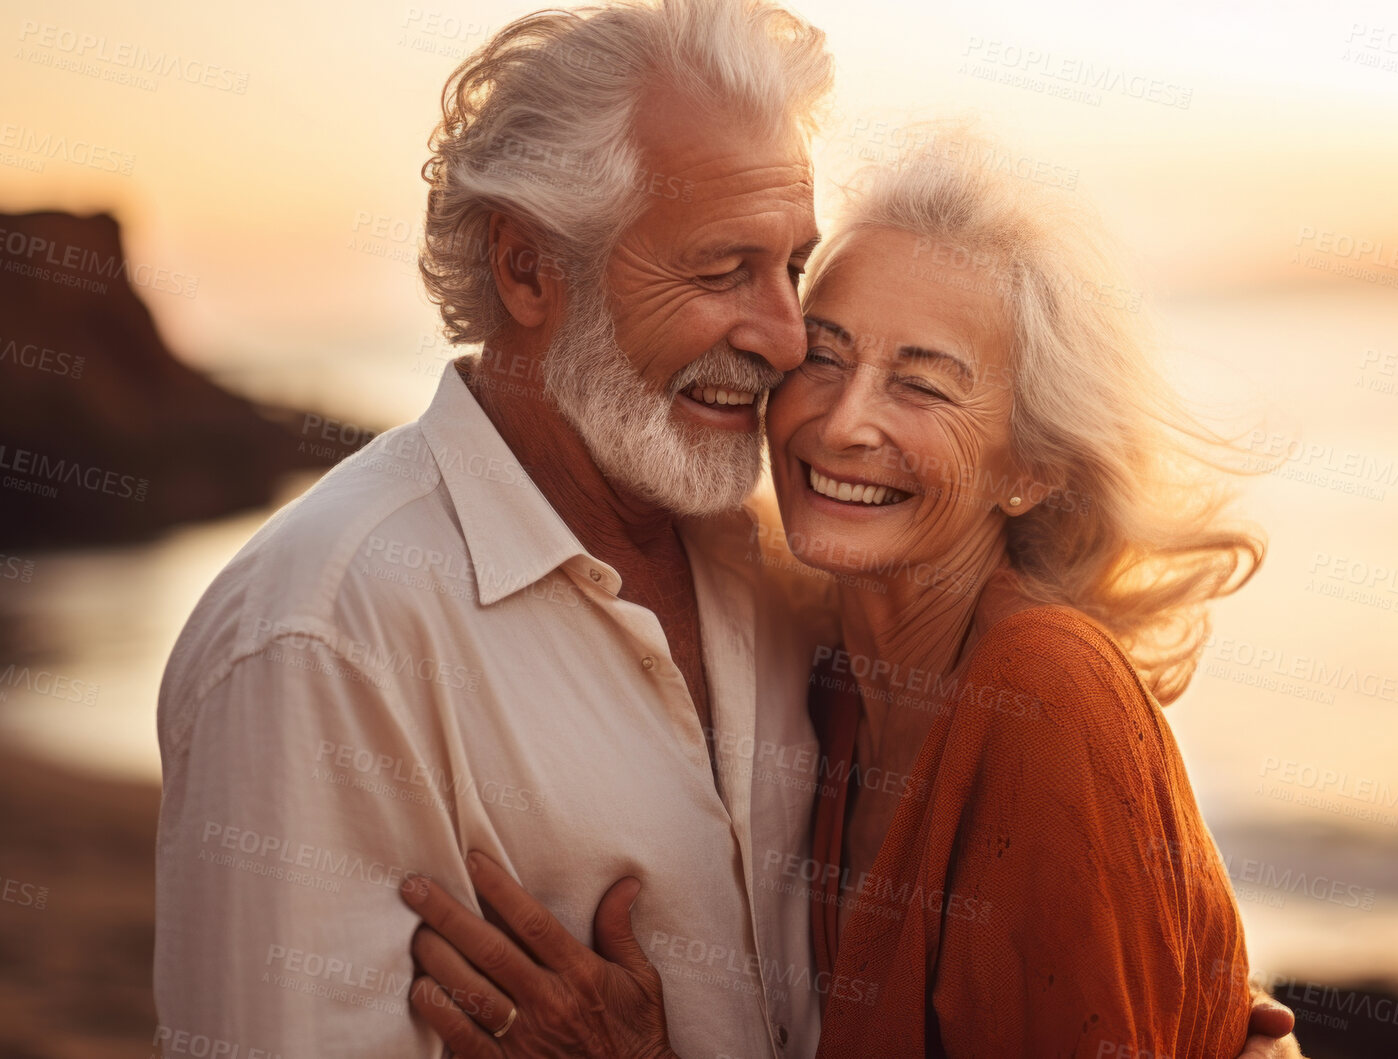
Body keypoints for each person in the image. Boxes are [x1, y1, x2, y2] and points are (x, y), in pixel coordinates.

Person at [400, 123, 1306, 1058]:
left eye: (921, 386)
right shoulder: (824, 680)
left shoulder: (1045, 696)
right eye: (823, 358)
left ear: (1030, 466)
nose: (842, 424)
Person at [155, 3, 835, 1055]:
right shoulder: (317, 637)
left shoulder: (783, 571)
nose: (784, 337)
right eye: (719, 272)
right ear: (526, 269)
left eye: (791, 267)